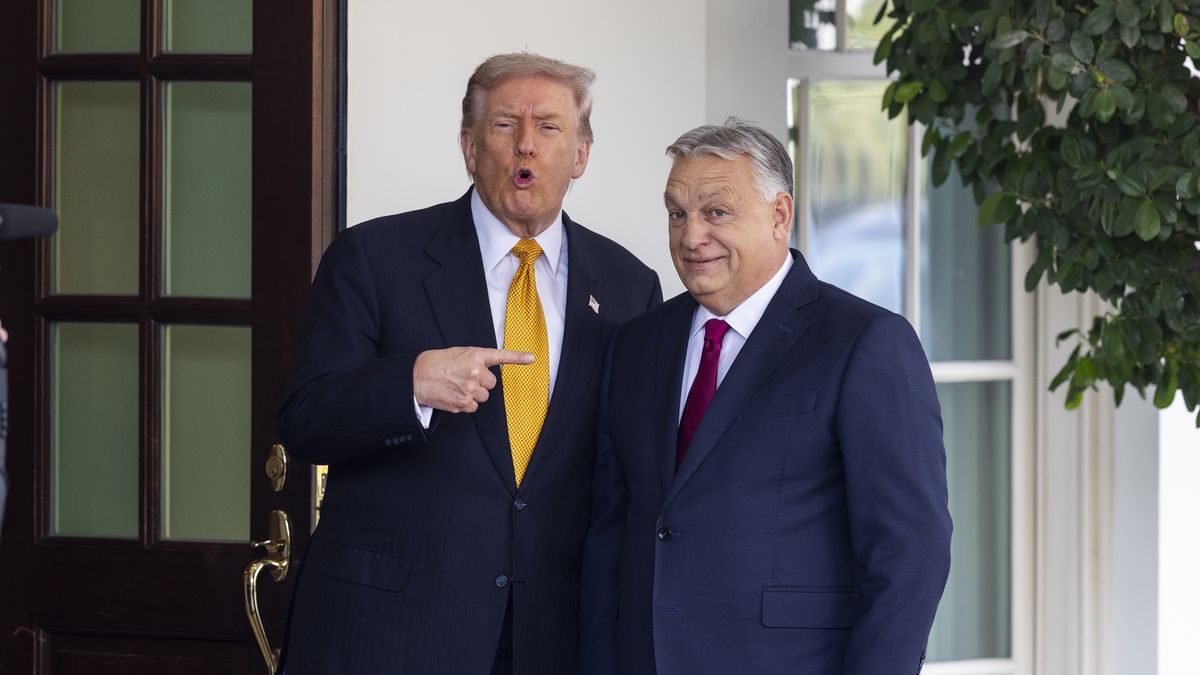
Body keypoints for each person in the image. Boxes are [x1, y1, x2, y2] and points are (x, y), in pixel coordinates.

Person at [276, 53, 661, 675]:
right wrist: (412, 386)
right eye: (506, 125)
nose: (527, 146)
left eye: (551, 128)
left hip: (551, 635)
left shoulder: (628, 286)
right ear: (468, 145)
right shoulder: (374, 257)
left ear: (582, 154)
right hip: (390, 631)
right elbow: (305, 418)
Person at [580, 119, 951, 674]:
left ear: (781, 215)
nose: (691, 236)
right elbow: (610, 536)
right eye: (677, 214)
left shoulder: (864, 343)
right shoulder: (637, 344)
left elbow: (909, 554)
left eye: (716, 212)